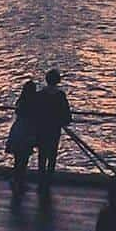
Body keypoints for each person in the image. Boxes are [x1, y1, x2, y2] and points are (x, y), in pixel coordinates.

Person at [31, 69, 72, 203]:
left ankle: (41, 179)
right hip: (54, 129)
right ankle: (49, 179)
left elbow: (35, 111)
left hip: (42, 128)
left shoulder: (39, 95)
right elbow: (66, 114)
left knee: (42, 154)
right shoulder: (60, 95)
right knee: (53, 153)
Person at [7, 77, 41, 193]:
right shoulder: (35, 103)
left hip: (18, 130)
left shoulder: (21, 101)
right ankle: (20, 180)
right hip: (27, 131)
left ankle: (16, 179)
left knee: (17, 157)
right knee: (24, 157)